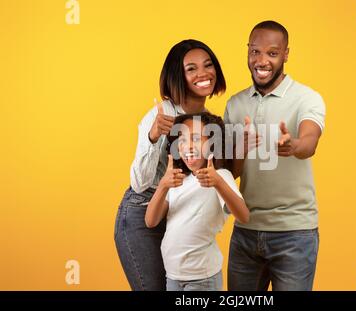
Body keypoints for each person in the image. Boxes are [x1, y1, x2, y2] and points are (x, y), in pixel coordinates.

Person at [114, 40, 226, 291]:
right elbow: (140, 183)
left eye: (208, 66)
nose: (203, 74)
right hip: (143, 213)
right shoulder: (161, 114)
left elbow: (216, 178)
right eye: (191, 69)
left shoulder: (208, 121)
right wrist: (153, 136)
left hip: (179, 213)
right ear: (178, 76)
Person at [224, 20, 326, 291]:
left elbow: (310, 141)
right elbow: (229, 172)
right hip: (245, 231)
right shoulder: (235, 104)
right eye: (255, 51)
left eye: (272, 53)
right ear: (247, 51)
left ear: (286, 54)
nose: (262, 60)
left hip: (294, 234)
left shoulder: (307, 98)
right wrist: (240, 151)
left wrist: (293, 145)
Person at [145, 112, 249, 291]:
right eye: (182, 140)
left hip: (202, 278)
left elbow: (243, 216)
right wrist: (162, 186)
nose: (188, 146)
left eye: (195, 139)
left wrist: (218, 183)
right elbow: (151, 221)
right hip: (173, 276)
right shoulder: (177, 180)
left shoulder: (221, 176)